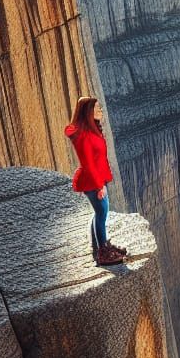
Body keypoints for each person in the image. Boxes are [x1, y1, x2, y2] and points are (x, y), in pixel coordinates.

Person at [64, 96, 128, 266]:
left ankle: (100, 247)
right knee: (101, 214)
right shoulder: (84, 135)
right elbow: (88, 163)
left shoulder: (92, 130)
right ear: (88, 112)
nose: (101, 110)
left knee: (99, 214)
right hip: (92, 181)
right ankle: (103, 254)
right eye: (97, 108)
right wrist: (99, 186)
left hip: (97, 178)